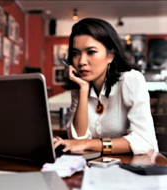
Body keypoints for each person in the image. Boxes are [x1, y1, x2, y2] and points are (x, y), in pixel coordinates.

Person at [54, 18, 158, 155]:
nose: (81, 61)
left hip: (139, 167)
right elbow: (78, 140)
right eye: (75, 53)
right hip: (100, 166)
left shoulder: (130, 79)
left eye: (91, 52)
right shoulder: (79, 88)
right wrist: (83, 90)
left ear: (110, 55)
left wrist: (88, 144)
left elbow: (144, 142)